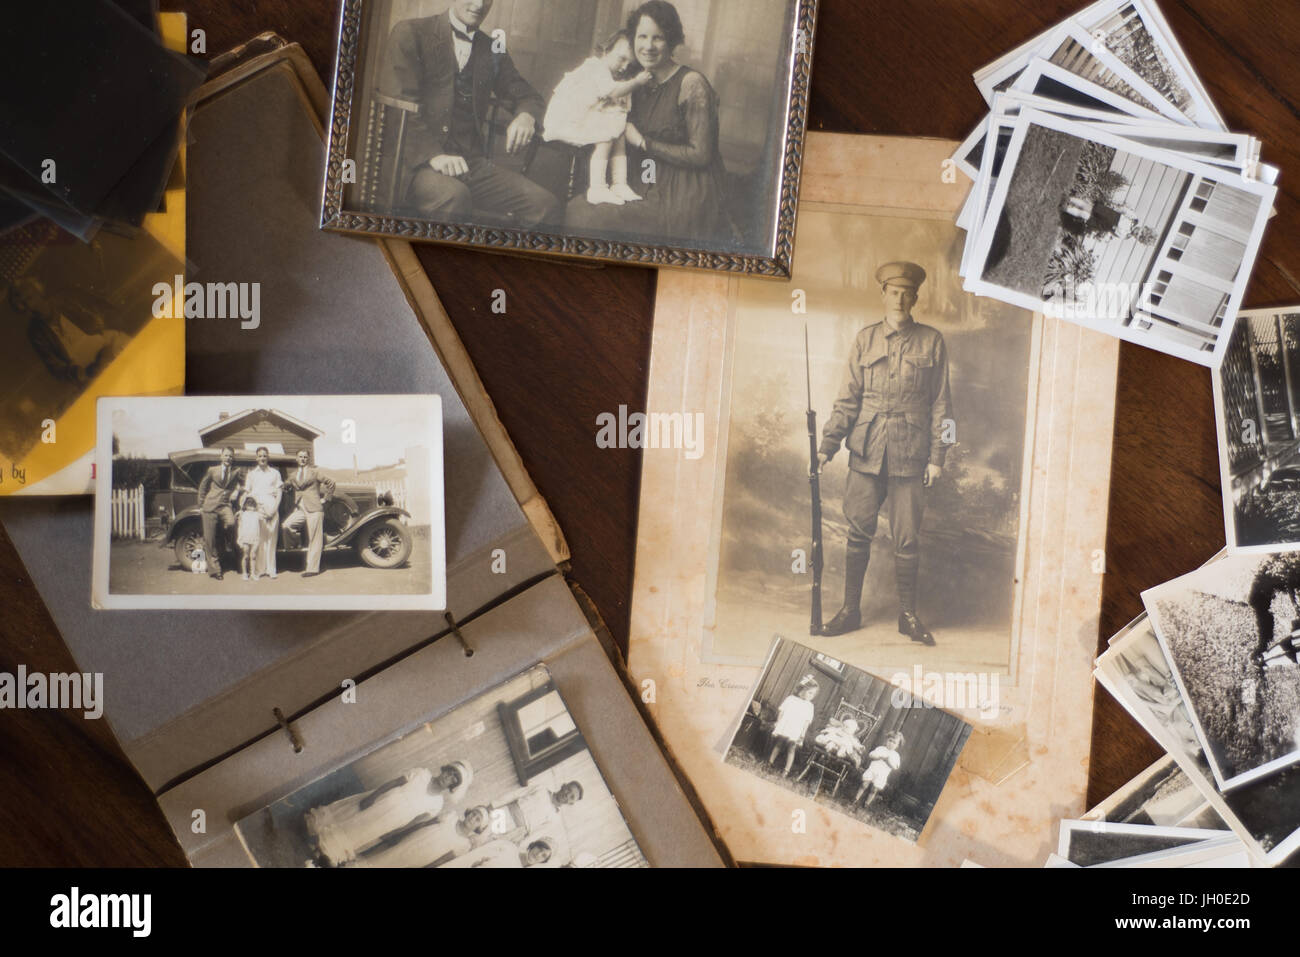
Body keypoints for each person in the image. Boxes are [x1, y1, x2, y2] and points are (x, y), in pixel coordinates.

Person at [817, 262, 953, 646]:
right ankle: (850, 611)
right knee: (858, 532)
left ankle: (907, 616)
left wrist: (938, 458)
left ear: (916, 297)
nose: (900, 298)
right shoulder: (864, 340)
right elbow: (847, 400)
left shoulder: (932, 341)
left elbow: (944, 406)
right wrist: (827, 446)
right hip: (866, 449)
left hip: (911, 454)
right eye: (893, 291)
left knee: (906, 539)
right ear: (883, 295)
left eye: (906, 292)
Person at [564, 1, 738, 245]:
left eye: (658, 38)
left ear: (672, 41)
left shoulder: (692, 84)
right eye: (642, 36)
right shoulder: (634, 79)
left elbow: (701, 155)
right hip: (642, 176)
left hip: (683, 191)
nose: (647, 46)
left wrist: (644, 142)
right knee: (578, 209)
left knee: (591, 218)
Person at [381, 0, 559, 227]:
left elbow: (527, 96)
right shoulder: (411, 32)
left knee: (544, 205)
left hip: (470, 164)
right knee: (454, 196)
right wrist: (434, 155)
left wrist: (526, 116)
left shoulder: (492, 48)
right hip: (413, 163)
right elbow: (397, 107)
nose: (479, 5)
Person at [543, 29, 653, 206]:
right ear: (605, 51)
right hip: (565, 121)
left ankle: (619, 183)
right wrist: (637, 82)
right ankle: (598, 188)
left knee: (618, 133)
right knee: (606, 135)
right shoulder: (595, 67)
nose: (624, 67)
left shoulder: (608, 74)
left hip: (580, 119)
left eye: (629, 63)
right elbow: (613, 92)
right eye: (621, 58)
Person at [306, 762, 472, 865]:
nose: (447, 777)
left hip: (391, 822)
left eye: (452, 779)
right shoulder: (422, 774)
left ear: (452, 787)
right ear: (443, 770)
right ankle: (319, 842)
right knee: (352, 822)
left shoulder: (437, 804)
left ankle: (328, 854)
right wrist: (373, 796)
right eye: (448, 772)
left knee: (359, 834)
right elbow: (393, 783)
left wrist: (395, 833)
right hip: (380, 804)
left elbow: (415, 823)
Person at [9, 276, 130, 384]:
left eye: (29, 297)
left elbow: (108, 311)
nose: (29, 305)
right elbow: (55, 367)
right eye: (22, 303)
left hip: (112, 345)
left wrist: (108, 348)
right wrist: (78, 373)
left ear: (38, 291)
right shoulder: (35, 333)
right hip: (90, 372)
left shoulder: (68, 298)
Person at [347, 805, 491, 869]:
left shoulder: (464, 845)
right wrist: (403, 834)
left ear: (478, 828)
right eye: (474, 813)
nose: (473, 818)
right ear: (469, 812)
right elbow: (424, 824)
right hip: (410, 843)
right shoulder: (450, 816)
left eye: (478, 819)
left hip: (419, 860)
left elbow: (442, 860)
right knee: (379, 860)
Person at [282, 450, 336, 578]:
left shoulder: (315, 472)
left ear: (308, 459)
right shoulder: (293, 475)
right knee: (286, 525)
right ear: (296, 459)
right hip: (300, 508)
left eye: (305, 457)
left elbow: (331, 483)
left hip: (314, 508)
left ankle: (312, 569)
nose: (303, 459)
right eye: (300, 457)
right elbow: (285, 485)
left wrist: (326, 499)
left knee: (314, 539)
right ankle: (294, 544)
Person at [196, 447, 244, 581]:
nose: (228, 458)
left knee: (231, 523)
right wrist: (201, 505)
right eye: (226, 455)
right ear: (221, 457)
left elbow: (243, 484)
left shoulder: (235, 472)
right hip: (210, 506)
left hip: (225, 505)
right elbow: (203, 487)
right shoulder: (212, 470)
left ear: (232, 458)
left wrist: (238, 490)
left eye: (230, 456)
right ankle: (215, 570)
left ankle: (223, 537)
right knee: (209, 540)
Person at [242, 446, 283, 580]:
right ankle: (259, 569)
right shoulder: (252, 473)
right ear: (256, 458)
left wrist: (274, 509)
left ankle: (271, 569)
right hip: (256, 510)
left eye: (264, 456)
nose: (262, 458)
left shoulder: (275, 473)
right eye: (260, 456)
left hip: (271, 507)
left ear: (268, 457)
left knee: (271, 539)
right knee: (258, 540)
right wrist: (248, 507)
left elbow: (279, 493)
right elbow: (247, 493)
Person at [767, 680, 818, 777]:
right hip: (786, 726)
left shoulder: (809, 706)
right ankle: (770, 762)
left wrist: (803, 734)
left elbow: (807, 721)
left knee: (792, 748)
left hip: (796, 729)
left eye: (813, 694)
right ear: (803, 690)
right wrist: (778, 722)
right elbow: (782, 711)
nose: (812, 695)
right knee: (779, 743)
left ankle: (786, 771)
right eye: (810, 692)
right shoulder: (791, 699)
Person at [855, 731, 904, 808]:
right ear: (886, 740)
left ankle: (867, 803)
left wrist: (888, 761)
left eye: (894, 743)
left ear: (897, 745)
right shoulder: (880, 748)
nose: (891, 743)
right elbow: (871, 755)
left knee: (874, 789)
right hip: (873, 770)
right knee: (864, 784)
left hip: (882, 775)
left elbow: (895, 767)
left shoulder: (895, 755)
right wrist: (879, 757)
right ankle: (856, 799)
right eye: (890, 740)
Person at [236, 497, 261, 582]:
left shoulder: (257, 514)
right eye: (248, 505)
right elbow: (239, 527)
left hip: (255, 538)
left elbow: (264, 515)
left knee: (253, 556)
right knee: (246, 556)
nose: (251, 507)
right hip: (245, 538)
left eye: (252, 505)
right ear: (245, 505)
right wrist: (240, 539)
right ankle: (244, 573)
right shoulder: (242, 514)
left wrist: (259, 506)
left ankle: (253, 573)